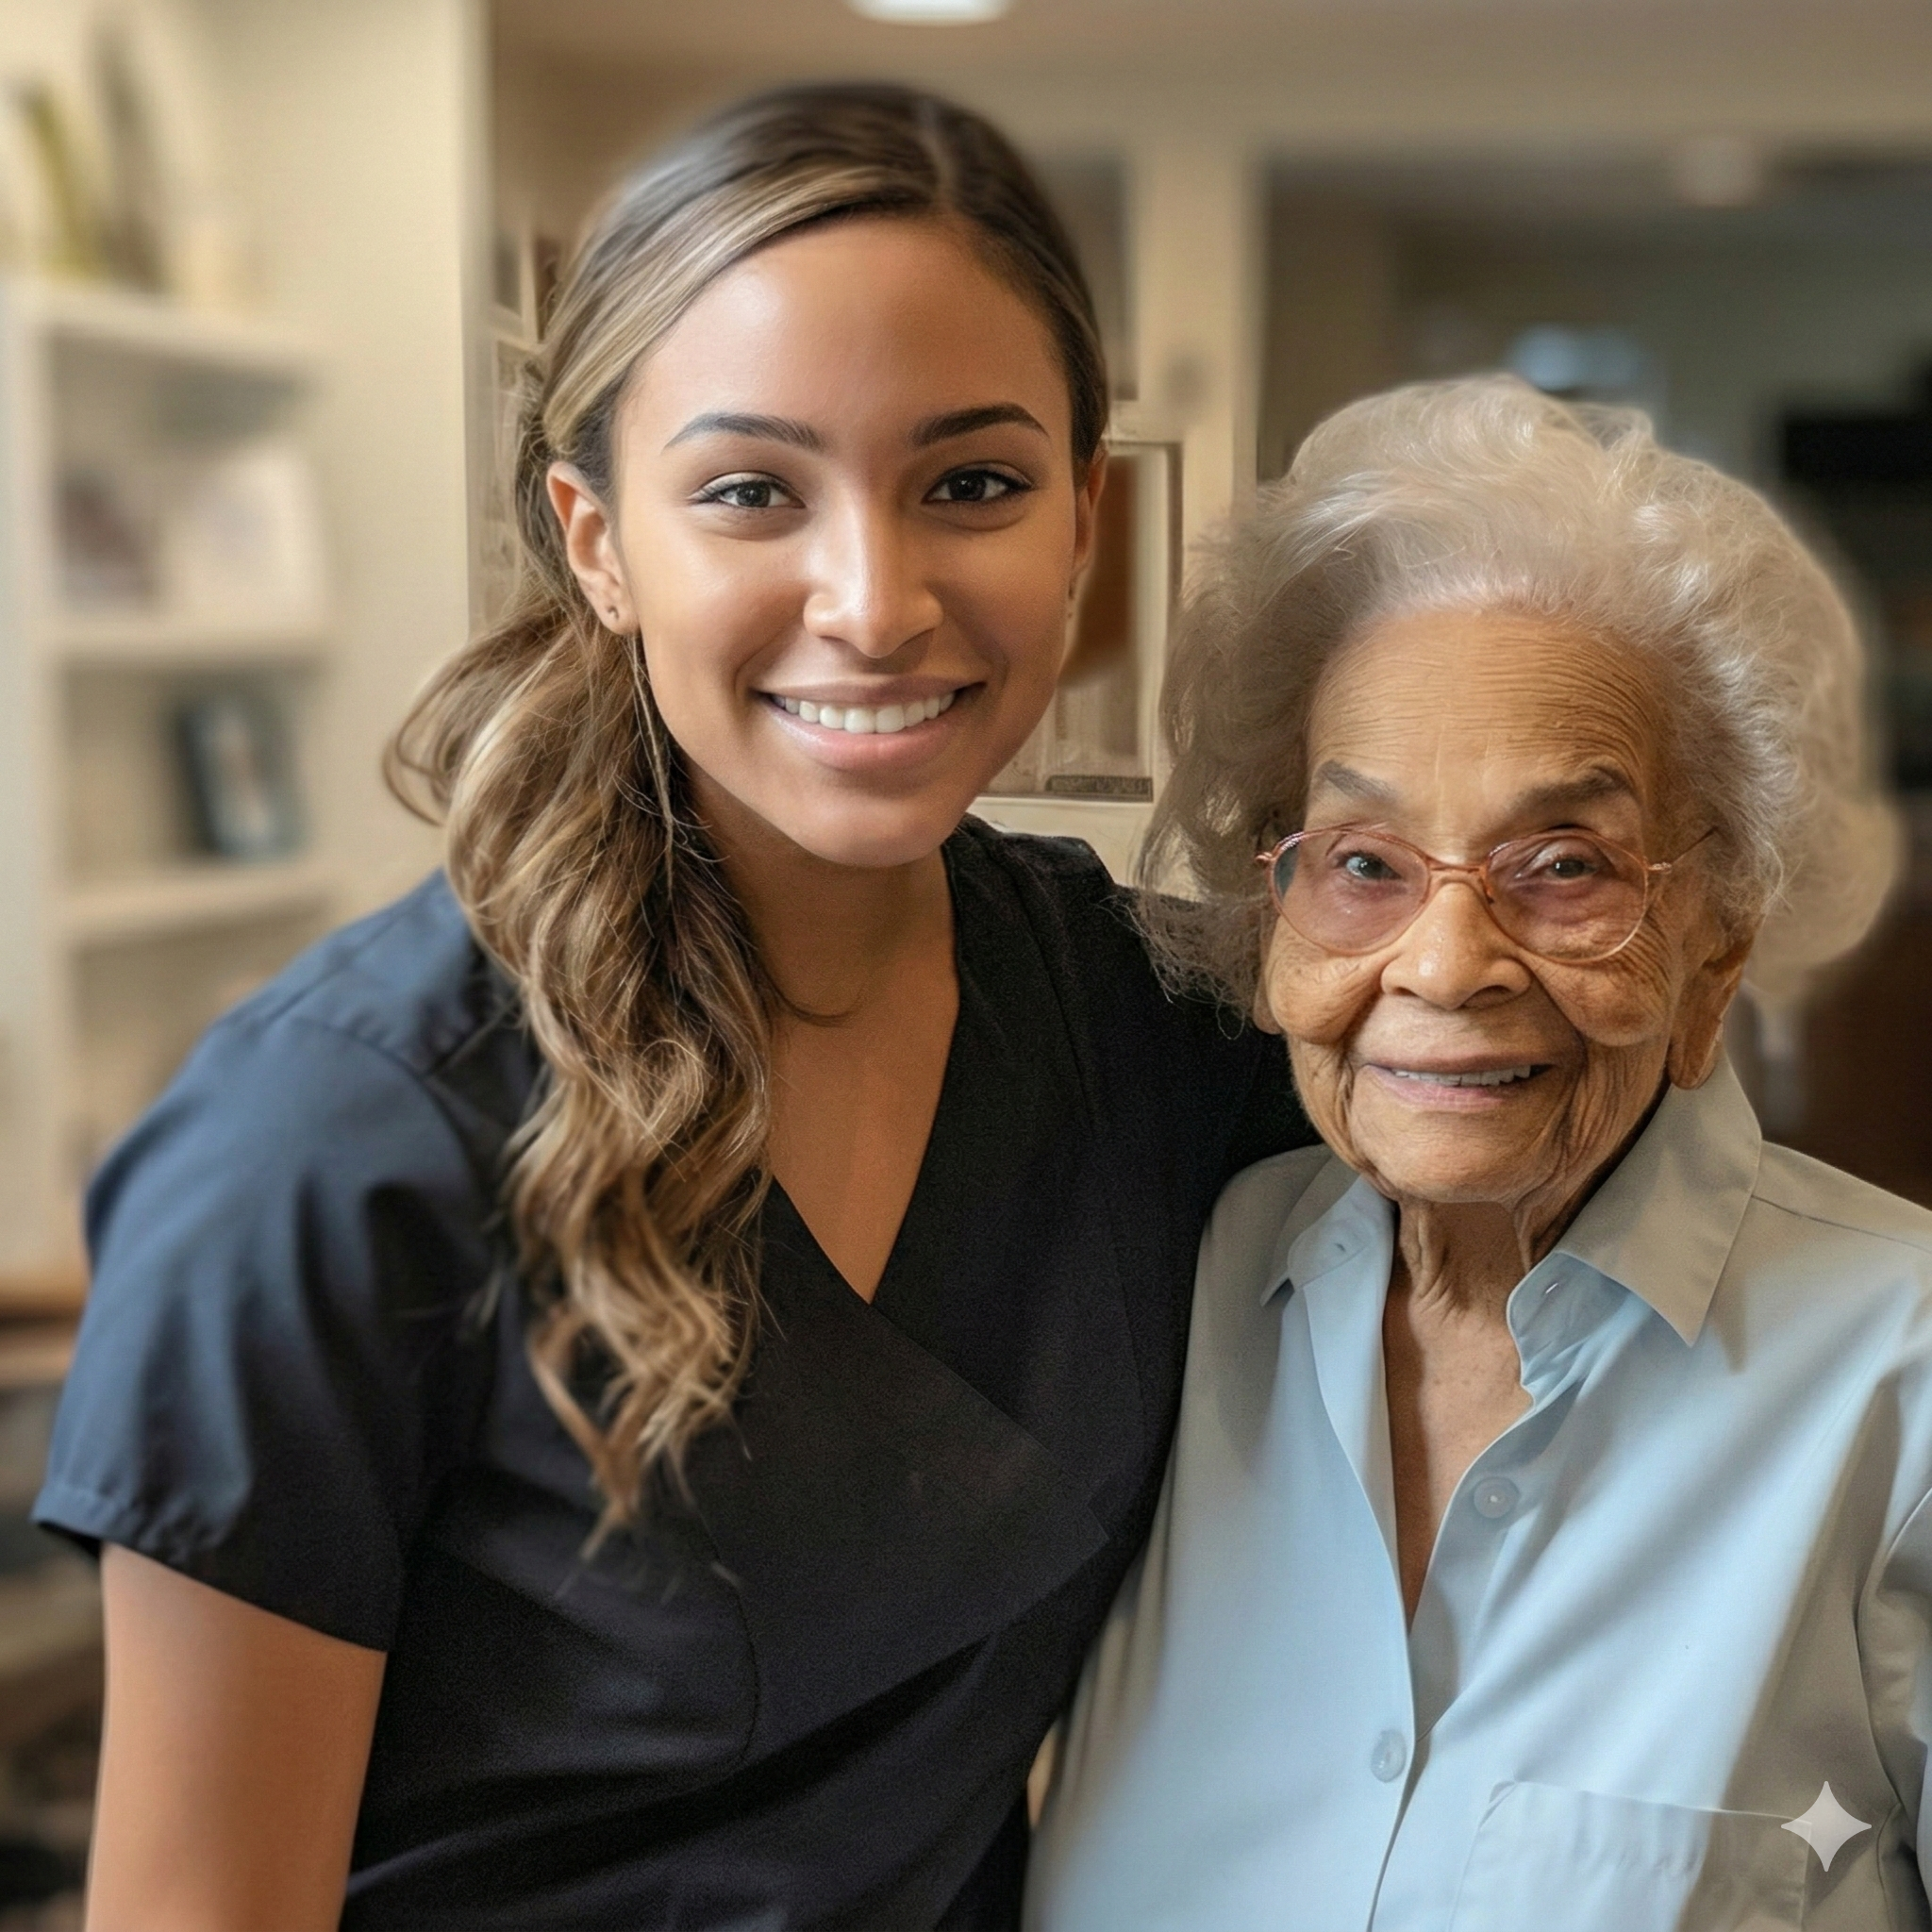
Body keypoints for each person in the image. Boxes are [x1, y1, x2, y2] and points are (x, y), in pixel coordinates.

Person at [34, 84, 1306, 1932]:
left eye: (971, 484)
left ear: (1082, 523)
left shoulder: (1140, 1017)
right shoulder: (332, 1141)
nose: (874, 601)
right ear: (597, 540)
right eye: (748, 493)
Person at [1024, 375, 1932, 1932]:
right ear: (1271, 917)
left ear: (1717, 943)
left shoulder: (1900, 1379)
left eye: (1564, 865)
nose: (1445, 965)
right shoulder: (1181, 1287)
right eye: (1363, 862)